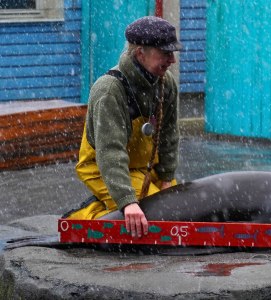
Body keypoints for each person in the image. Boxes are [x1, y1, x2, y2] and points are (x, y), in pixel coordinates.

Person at [64, 16, 182, 238]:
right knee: (154, 217)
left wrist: (167, 178)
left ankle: (118, 203)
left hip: (144, 167)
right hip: (103, 166)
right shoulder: (110, 90)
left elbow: (169, 136)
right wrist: (128, 202)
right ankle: (80, 219)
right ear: (140, 53)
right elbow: (110, 153)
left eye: (173, 53)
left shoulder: (166, 83)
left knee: (179, 209)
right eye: (165, 53)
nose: (172, 60)